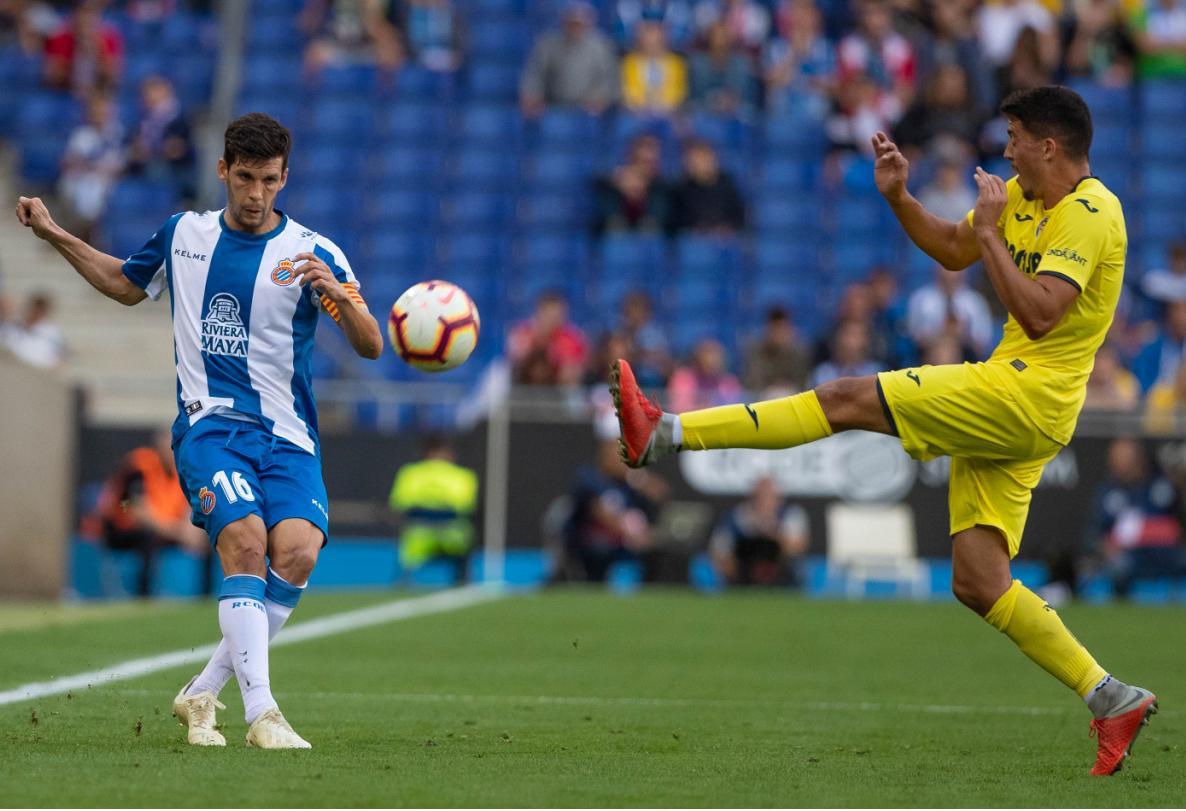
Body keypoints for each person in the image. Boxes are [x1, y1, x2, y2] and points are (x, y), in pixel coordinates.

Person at [610, 85, 1157, 776]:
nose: (1007, 150)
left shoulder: (1091, 211)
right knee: (979, 580)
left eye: (1016, 136)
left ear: (1050, 144)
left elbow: (1044, 313)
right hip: (1016, 398)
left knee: (842, 396)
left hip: (1025, 395)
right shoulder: (1019, 197)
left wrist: (988, 232)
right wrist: (900, 197)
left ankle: (663, 432)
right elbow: (955, 248)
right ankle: (1111, 697)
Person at [16, 113, 384, 749]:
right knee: (244, 540)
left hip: (289, 436)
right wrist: (54, 234)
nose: (255, 194)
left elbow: (372, 345)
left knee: (295, 551)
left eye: (269, 181)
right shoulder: (184, 235)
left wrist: (342, 300)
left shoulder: (315, 253)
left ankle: (201, 691)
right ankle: (262, 714)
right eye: (245, 178)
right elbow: (122, 284)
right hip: (210, 426)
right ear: (223, 171)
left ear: (284, 178)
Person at [94, 428, 208, 597]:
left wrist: (191, 531)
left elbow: (188, 508)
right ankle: (144, 597)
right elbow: (137, 510)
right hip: (122, 524)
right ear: (159, 444)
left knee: (207, 539)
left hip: (163, 528)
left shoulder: (181, 472)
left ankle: (204, 596)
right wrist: (177, 532)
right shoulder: (140, 465)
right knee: (147, 537)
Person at [1086, 437, 1185, 599]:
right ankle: (1121, 608)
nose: (1117, 464)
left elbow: (1177, 524)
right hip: (1129, 555)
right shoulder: (1107, 491)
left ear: (1137, 459)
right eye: (1114, 459)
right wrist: (1104, 545)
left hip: (1163, 551)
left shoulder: (1162, 484)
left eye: (1123, 459)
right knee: (1118, 567)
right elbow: (1094, 532)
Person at [388, 434, 478, 585]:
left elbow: (399, 504)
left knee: (407, 548)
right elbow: (466, 506)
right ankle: (463, 580)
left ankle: (403, 581)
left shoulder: (411, 473)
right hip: (453, 538)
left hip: (417, 537)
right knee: (466, 535)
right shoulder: (463, 475)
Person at [519, 0, 618, 117]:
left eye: (580, 24)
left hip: (590, 110)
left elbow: (610, 79)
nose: (576, 28)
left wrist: (600, 97)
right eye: (572, 23)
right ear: (564, 22)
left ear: (589, 23)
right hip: (553, 107)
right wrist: (532, 95)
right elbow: (534, 74)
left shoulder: (601, 46)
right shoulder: (548, 44)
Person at [709, 476, 808, 588]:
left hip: (781, 576)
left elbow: (797, 547)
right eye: (761, 495)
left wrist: (771, 533)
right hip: (744, 575)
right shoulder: (736, 517)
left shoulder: (790, 515)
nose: (764, 500)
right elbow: (720, 551)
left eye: (769, 495)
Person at [58, 92, 124, 244]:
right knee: (70, 186)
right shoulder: (82, 134)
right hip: (83, 177)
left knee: (101, 192)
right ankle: (77, 233)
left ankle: (91, 236)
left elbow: (124, 163)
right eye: (97, 111)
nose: (100, 114)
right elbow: (67, 161)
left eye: (104, 110)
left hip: (110, 179)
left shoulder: (119, 133)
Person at [125, 75, 196, 203]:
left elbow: (177, 149)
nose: (148, 96)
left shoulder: (179, 117)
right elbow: (135, 149)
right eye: (145, 92)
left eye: (152, 91)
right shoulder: (144, 119)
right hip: (148, 167)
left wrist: (151, 151)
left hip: (174, 170)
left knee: (155, 171)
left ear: (165, 91)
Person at [507, 290, 589, 386]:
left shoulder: (572, 338)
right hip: (524, 382)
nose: (553, 318)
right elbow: (517, 359)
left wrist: (552, 354)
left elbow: (574, 368)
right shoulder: (522, 332)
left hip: (558, 387)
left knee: (570, 372)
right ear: (539, 312)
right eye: (549, 313)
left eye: (558, 314)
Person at [666, 138, 746, 236]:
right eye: (691, 160)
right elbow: (676, 221)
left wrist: (726, 228)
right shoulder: (681, 189)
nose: (695, 164)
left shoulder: (727, 185)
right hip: (695, 242)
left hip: (723, 241)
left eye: (700, 159)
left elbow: (738, 216)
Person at [620, 16, 687, 115]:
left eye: (657, 37)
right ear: (641, 40)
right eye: (649, 35)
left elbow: (678, 92)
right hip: (636, 113)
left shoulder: (676, 63)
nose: (653, 41)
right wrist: (641, 107)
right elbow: (628, 92)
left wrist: (664, 107)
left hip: (668, 112)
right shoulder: (630, 62)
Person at [743, 306, 811, 397]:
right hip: (764, 398)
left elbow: (803, 383)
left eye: (782, 328)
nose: (779, 333)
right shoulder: (757, 351)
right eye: (775, 328)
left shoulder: (798, 352)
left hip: (792, 397)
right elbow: (753, 382)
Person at [3, 291, 65, 369]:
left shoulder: (52, 331)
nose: (37, 312)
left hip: (36, 371)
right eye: (35, 308)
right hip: (13, 367)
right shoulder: (14, 324)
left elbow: (57, 358)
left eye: (41, 310)